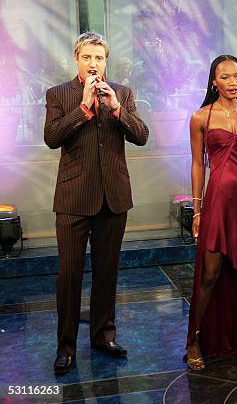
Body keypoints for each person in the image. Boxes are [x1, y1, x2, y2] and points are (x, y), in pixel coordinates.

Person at [44, 31, 149, 374]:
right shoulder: (59, 94)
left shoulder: (123, 93)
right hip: (74, 198)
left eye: (99, 58)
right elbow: (52, 137)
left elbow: (141, 136)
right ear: (77, 59)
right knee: (69, 275)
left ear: (106, 61)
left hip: (113, 197)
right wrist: (84, 108)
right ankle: (66, 346)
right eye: (87, 57)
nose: (93, 64)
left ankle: (104, 336)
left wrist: (116, 108)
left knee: (107, 273)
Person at [185, 55, 237, 371]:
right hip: (218, 203)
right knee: (209, 273)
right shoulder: (200, 117)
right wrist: (197, 210)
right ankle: (194, 338)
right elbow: (197, 164)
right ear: (214, 82)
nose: (233, 82)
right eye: (226, 77)